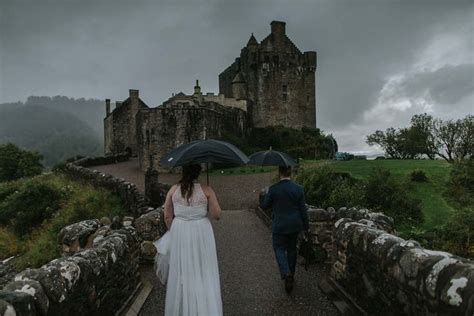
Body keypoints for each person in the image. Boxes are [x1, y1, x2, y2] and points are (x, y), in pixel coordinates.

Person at [154, 164, 223, 316]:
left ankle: (183, 307)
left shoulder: (173, 190)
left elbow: (167, 216)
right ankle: (204, 307)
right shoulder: (206, 190)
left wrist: (175, 231)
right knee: (203, 268)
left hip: (180, 230)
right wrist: (209, 197)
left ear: (183, 172)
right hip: (202, 232)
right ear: (198, 173)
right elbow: (217, 215)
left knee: (182, 270)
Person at [260, 166, 309, 293]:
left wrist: (264, 195)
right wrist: (306, 227)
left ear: (279, 173)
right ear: (290, 172)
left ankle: (286, 273)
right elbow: (303, 211)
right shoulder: (299, 189)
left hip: (279, 225)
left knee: (279, 248)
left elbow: (264, 206)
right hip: (294, 225)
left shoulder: (274, 189)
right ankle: (291, 274)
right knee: (292, 250)